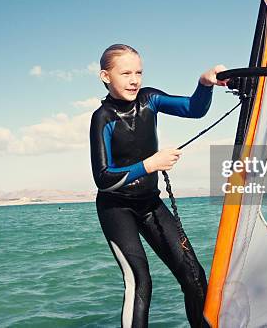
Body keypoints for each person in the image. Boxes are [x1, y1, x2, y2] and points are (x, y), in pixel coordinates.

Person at [89, 43, 227, 328]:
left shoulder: (149, 99)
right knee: (140, 281)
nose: (134, 79)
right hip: (116, 208)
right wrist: (150, 165)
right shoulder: (102, 119)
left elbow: (194, 109)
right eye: (125, 73)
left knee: (194, 276)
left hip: (150, 202)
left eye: (138, 72)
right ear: (105, 76)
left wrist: (205, 83)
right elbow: (103, 177)